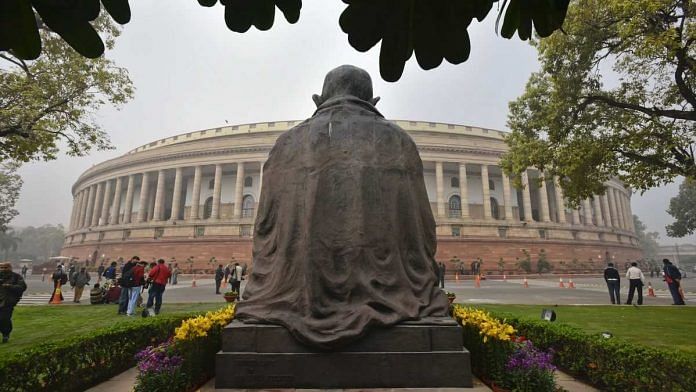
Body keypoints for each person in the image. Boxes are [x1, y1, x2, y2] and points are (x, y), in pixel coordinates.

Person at [0, 263, 27, 343]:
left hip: (7, 302)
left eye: (5, 267)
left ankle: (6, 334)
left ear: (10, 267)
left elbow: (22, 287)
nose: (3, 269)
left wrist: (9, 286)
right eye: (1, 267)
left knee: (4, 319)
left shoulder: (16, 277)